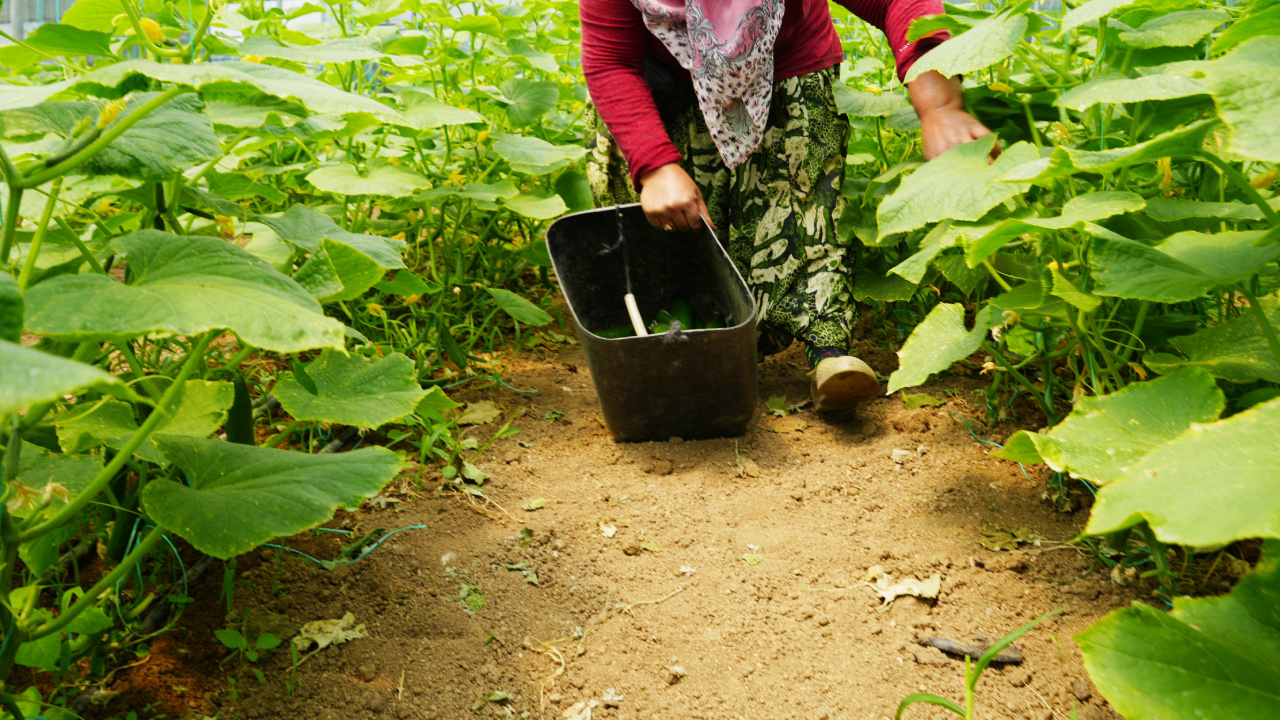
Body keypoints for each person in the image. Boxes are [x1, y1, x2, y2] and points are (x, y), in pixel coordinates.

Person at [579, 0, 995, 411]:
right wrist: (654, 166)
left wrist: (940, 107)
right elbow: (610, 60)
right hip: (661, 86)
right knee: (677, 237)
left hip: (784, 62)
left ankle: (828, 355)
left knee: (805, 213)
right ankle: (672, 350)